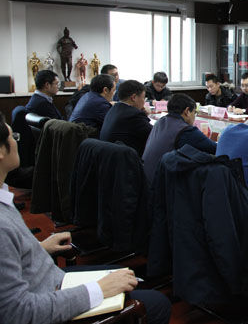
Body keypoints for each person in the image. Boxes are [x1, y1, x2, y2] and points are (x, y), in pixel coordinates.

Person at [0, 112, 171, 324]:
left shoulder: (4, 199)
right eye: (13, 137)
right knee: (157, 303)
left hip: (47, 277)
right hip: (48, 294)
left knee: (129, 277)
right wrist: (99, 289)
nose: (17, 142)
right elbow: (17, 313)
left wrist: (38, 248)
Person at [142, 93, 216, 185]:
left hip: (146, 182)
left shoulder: (160, 122)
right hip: (162, 186)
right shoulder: (186, 130)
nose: (194, 117)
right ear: (187, 111)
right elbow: (216, 149)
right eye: (194, 113)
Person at [100, 80, 153, 157]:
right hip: (125, 159)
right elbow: (154, 135)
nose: (144, 102)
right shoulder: (134, 115)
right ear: (134, 97)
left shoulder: (114, 109)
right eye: (143, 98)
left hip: (108, 156)